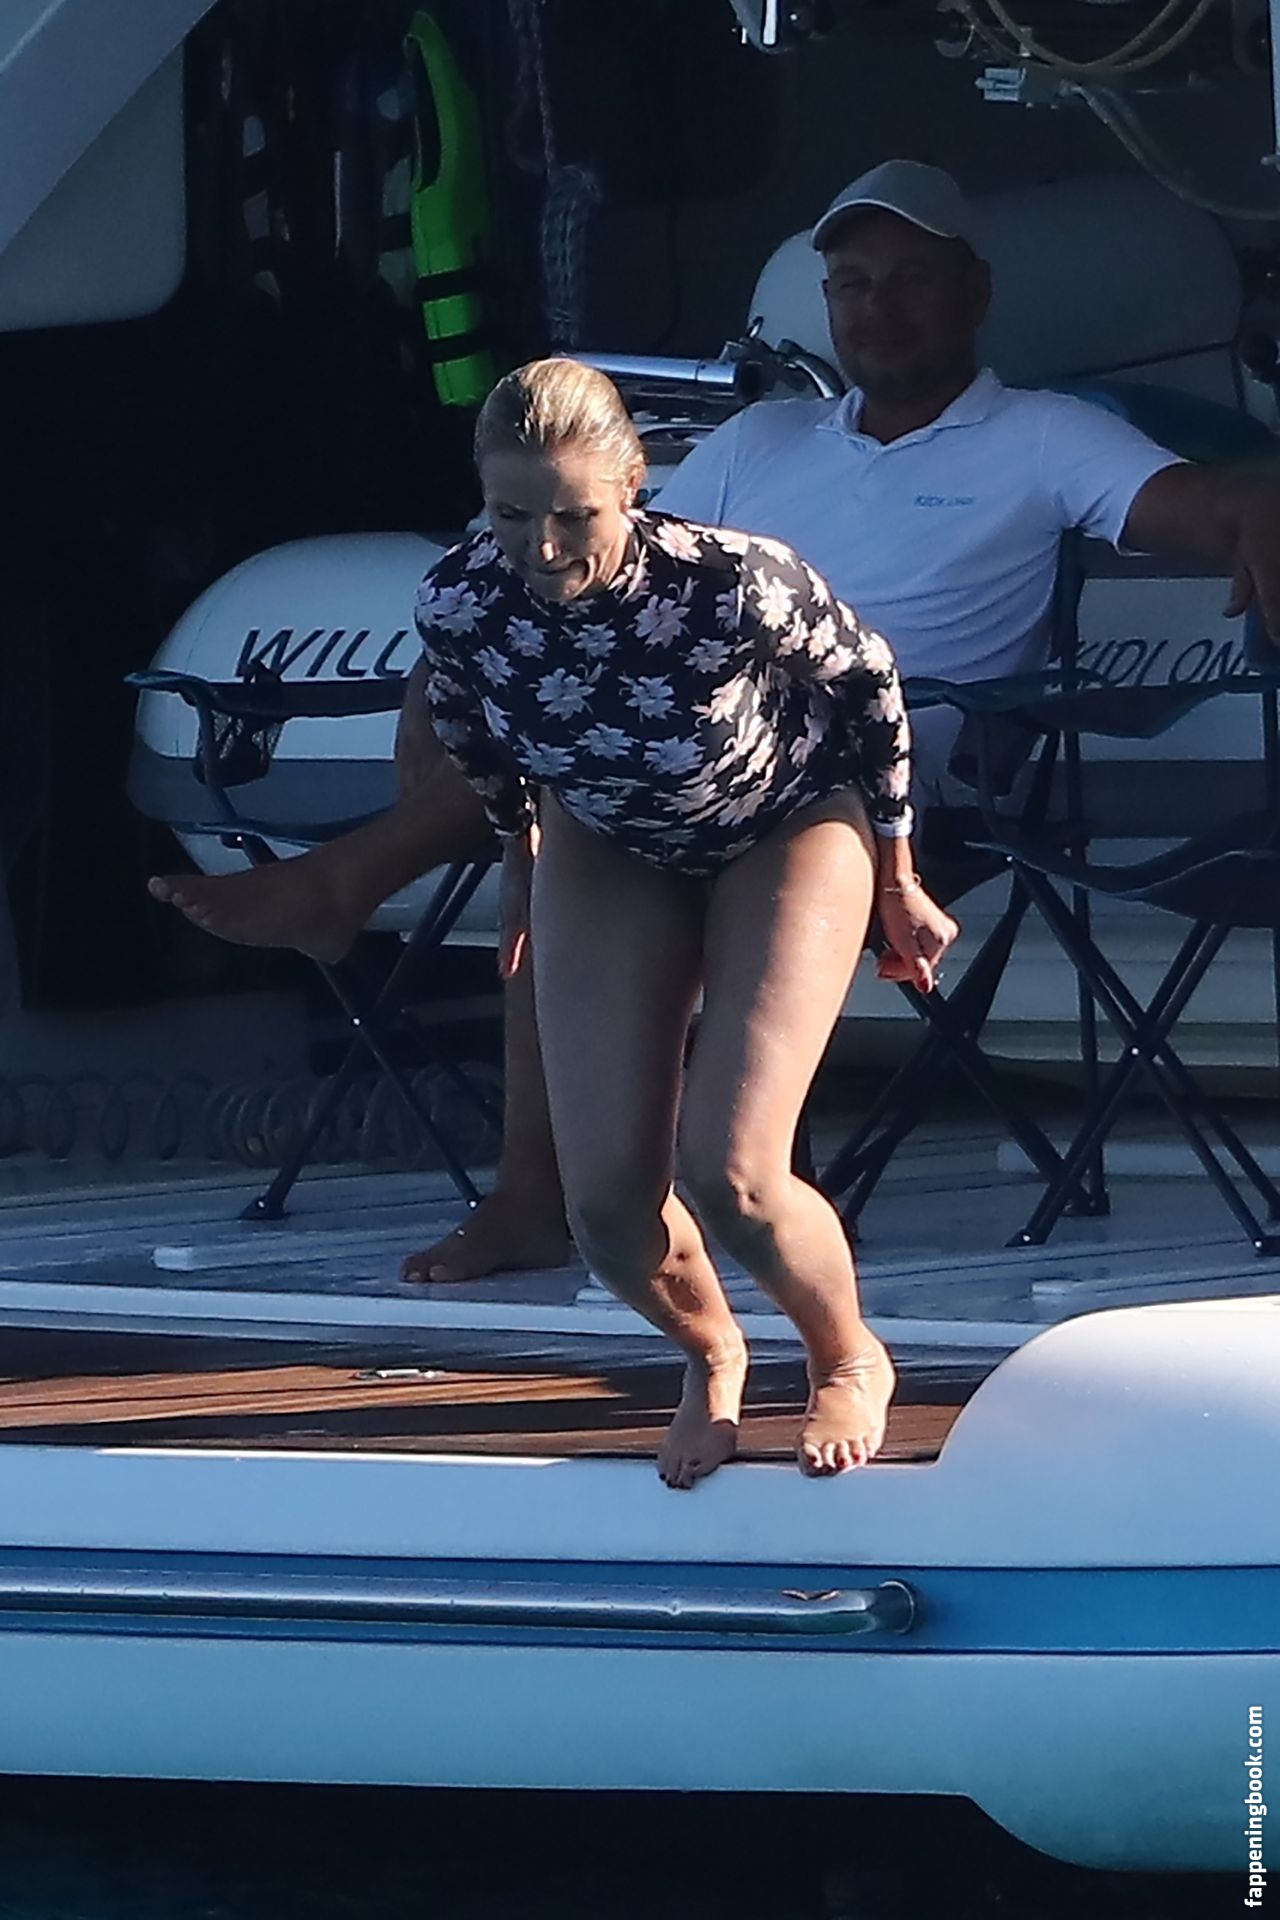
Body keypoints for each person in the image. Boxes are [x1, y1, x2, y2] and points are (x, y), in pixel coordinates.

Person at [150, 157, 1280, 1283]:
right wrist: (437, 682)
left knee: (589, 781)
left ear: (973, 290)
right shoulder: (763, 440)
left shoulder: (1043, 436)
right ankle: (537, 1197)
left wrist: (1264, 502)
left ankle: (348, 890)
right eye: (851, 285)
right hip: (689, 755)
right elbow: (581, 569)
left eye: (910, 279)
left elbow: (1217, 503)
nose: (877, 308)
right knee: (569, 792)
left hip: (880, 780)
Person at [412, 354, 956, 1484]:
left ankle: (845, 1355)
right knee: (607, 1208)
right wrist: (519, 857)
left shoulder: (732, 583)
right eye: (512, 515)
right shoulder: (461, 600)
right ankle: (711, 1355)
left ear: (633, 486)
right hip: (611, 842)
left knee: (733, 1175)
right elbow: (469, 723)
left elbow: (869, 682)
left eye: (574, 516)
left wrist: (898, 873)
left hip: (786, 823)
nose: (543, 548)